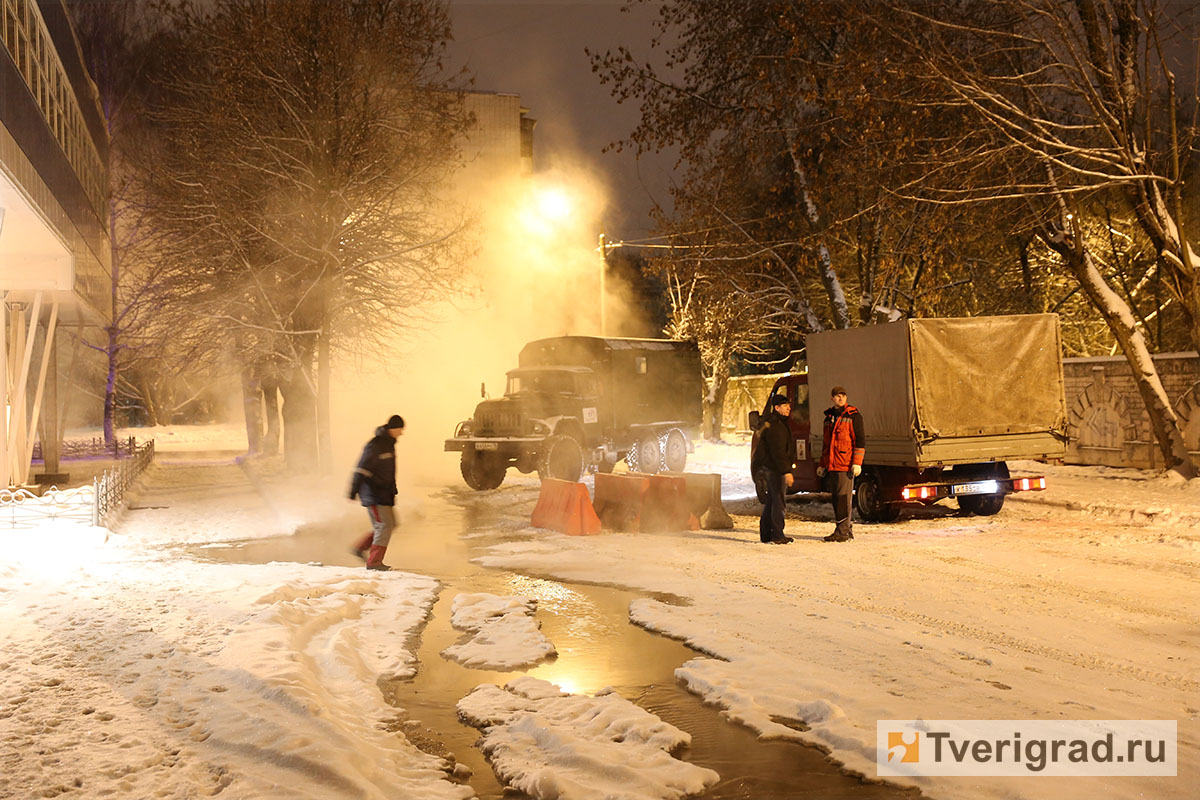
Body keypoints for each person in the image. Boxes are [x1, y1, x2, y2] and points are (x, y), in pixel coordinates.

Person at [349, 414, 405, 570]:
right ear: (393, 428)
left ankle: (360, 548)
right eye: (400, 429)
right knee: (384, 525)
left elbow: (388, 471)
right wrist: (353, 490)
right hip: (374, 494)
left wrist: (392, 489)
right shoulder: (376, 445)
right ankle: (374, 562)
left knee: (389, 524)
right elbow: (361, 469)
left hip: (384, 494)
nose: (402, 433)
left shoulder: (388, 444)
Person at [816, 386, 865, 542]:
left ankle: (842, 531)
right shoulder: (829, 418)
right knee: (837, 498)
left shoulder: (853, 416)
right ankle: (845, 529)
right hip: (833, 465)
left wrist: (857, 463)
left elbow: (860, 441)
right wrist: (822, 464)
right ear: (832, 398)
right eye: (837, 396)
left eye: (843, 395)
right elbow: (827, 444)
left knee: (843, 499)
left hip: (845, 465)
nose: (841, 398)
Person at [755, 393, 796, 545]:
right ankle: (777, 534)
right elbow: (778, 451)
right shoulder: (776, 425)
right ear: (777, 407)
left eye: (789, 406)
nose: (789, 409)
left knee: (772, 500)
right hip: (775, 469)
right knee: (778, 501)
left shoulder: (775, 422)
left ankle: (766, 534)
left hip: (772, 468)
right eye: (785, 406)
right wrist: (786, 471)